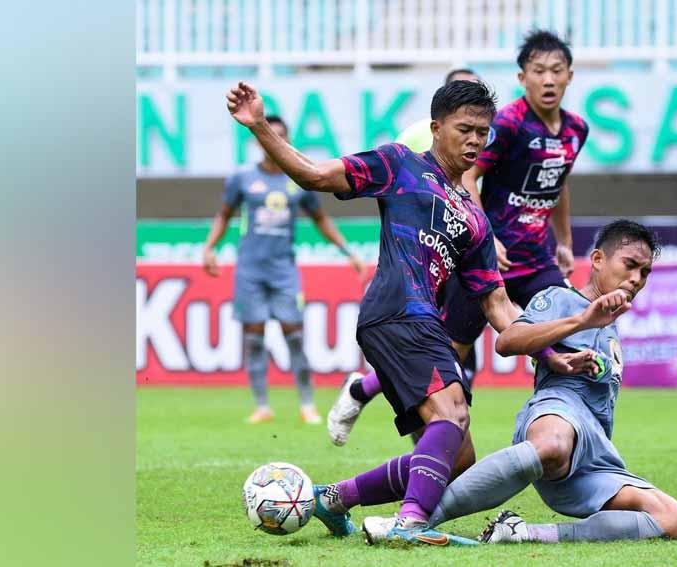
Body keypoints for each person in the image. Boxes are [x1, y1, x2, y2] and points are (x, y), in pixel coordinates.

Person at [225, 79, 597, 546]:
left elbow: (499, 308)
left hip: (423, 323)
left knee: (455, 458)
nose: (475, 141)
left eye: (483, 133)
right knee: (453, 411)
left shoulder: (475, 218)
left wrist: (549, 355)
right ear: (436, 128)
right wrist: (261, 126)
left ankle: (334, 498)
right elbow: (316, 176)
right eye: (465, 129)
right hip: (397, 309)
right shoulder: (398, 164)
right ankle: (410, 521)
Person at [327, 30, 590, 446]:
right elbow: (465, 178)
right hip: (482, 254)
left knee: (567, 330)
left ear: (570, 76)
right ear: (523, 77)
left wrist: (564, 241)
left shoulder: (576, 129)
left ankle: (562, 427)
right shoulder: (503, 125)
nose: (549, 79)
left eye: (556, 71)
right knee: (453, 353)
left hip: (536, 257)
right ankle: (374, 396)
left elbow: (558, 181)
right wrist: (489, 235)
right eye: (540, 71)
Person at [363, 220, 677, 545]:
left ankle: (525, 534)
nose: (636, 279)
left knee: (676, 520)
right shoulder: (561, 299)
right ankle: (414, 520)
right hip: (558, 412)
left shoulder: (611, 323)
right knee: (551, 445)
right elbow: (508, 341)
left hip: (596, 450)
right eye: (630, 265)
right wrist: (581, 320)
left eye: (645, 272)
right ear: (597, 260)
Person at [328, 67, 481, 449]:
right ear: (439, 118)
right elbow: (399, 194)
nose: (474, 131)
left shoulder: (485, 140)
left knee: (452, 376)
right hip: (427, 267)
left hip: (470, 251)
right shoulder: (414, 140)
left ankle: (366, 389)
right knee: (444, 368)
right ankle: (428, 473)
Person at [201, 115, 367, 425]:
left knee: (294, 334)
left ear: (285, 140)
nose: (271, 142)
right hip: (250, 269)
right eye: (267, 136)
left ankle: (307, 404)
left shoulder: (299, 180)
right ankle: (262, 405)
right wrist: (209, 247)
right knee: (253, 337)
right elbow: (224, 214)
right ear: (259, 141)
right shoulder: (241, 178)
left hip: (283, 270)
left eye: (278, 136)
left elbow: (320, 219)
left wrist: (349, 252)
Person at [395, 68, 480, 153]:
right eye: (462, 89)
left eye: (476, 89)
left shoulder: (491, 133)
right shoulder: (414, 134)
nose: (470, 95)